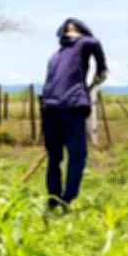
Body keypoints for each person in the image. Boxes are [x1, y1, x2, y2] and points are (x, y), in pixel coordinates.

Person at [40, 18, 108, 212]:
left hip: (49, 106)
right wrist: (101, 68)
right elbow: (94, 42)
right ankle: (67, 197)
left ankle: (53, 197)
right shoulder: (83, 43)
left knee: (54, 156)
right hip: (70, 105)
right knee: (77, 154)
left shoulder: (55, 55)